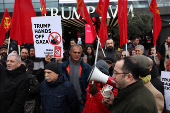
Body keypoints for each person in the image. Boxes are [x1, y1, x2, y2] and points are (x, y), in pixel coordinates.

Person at [59, 44, 91, 113]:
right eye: (74, 52)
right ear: (70, 53)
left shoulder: (86, 67)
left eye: (79, 53)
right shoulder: (62, 66)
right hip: (66, 101)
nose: (77, 55)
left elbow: (89, 84)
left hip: (80, 102)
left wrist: (84, 98)